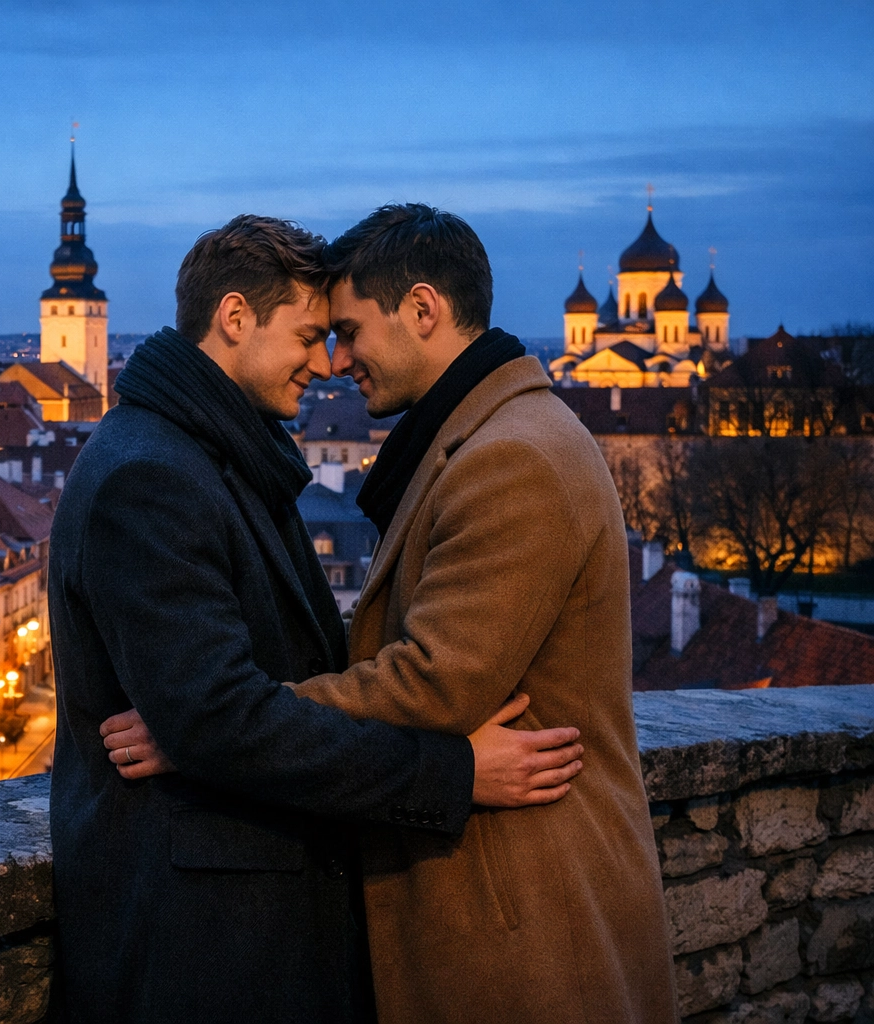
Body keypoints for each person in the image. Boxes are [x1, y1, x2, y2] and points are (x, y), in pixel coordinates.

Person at [107, 205, 676, 1022]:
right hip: (495, 896)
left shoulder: (513, 457)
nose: (336, 362)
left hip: (526, 916)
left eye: (347, 331)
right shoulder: (485, 438)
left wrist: (210, 731)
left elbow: (432, 686)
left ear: (422, 310)